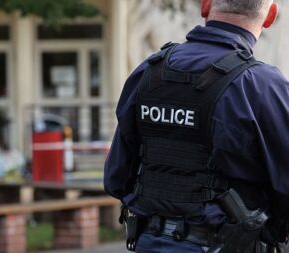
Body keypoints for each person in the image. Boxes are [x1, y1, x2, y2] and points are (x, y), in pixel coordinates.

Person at [104, 0, 289, 252]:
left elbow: (116, 178)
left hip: (150, 240)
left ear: (205, 5)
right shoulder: (262, 85)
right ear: (270, 16)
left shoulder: (149, 72)